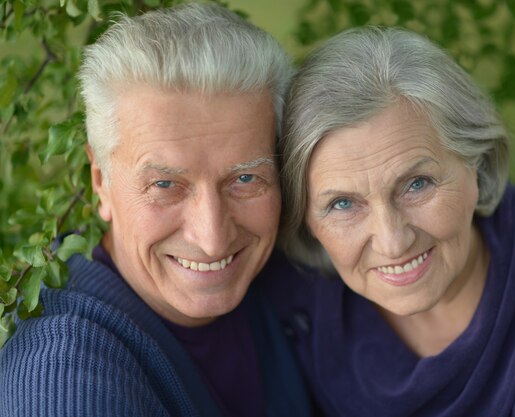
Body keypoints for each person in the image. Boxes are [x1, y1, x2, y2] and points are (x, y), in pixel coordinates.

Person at [267, 26, 515, 416]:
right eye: (342, 204)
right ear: (304, 218)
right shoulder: (287, 298)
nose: (392, 241)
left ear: (478, 161)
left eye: (417, 184)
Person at [0, 3, 314, 416]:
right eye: (165, 185)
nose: (212, 237)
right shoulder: (61, 377)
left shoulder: (289, 276)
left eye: (244, 179)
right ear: (101, 182)